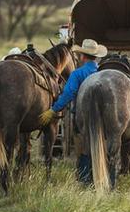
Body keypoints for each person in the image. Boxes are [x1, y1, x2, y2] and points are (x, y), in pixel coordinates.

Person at [38, 38, 108, 184]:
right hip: (104, 117)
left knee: (83, 147)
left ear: (82, 56)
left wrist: (53, 110)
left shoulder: (77, 74)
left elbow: (68, 94)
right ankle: (104, 179)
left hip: (82, 118)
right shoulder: (104, 73)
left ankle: (84, 180)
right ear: (96, 56)